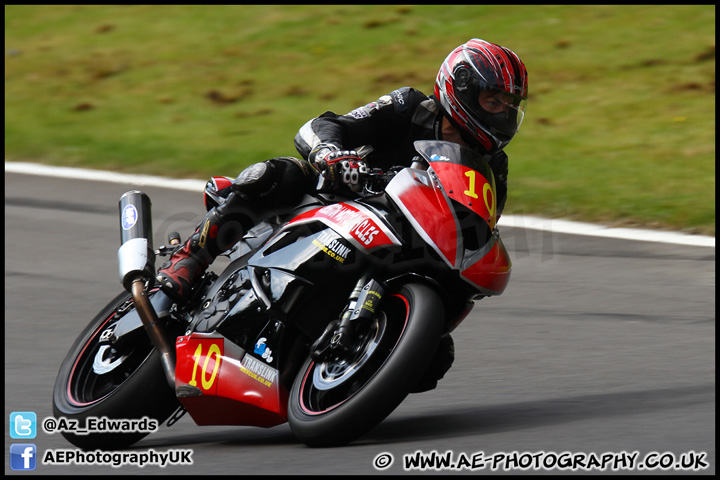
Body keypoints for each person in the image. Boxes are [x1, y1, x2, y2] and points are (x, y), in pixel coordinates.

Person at [156, 38, 528, 308]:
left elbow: (479, 226)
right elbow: (327, 125)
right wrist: (330, 155)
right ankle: (190, 257)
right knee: (278, 174)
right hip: (338, 203)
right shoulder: (409, 107)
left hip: (404, 246)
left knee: (436, 357)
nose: (502, 113)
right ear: (460, 89)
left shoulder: (493, 166)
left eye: (509, 105)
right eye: (492, 100)